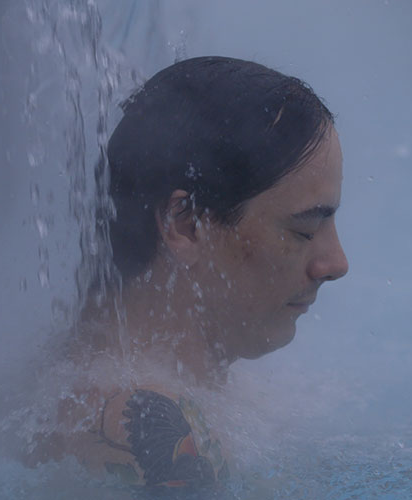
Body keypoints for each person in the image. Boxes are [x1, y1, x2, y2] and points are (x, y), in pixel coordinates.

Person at [25, 56, 349, 492]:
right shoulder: (149, 430)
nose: (336, 263)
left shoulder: (72, 381)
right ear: (186, 225)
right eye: (303, 229)